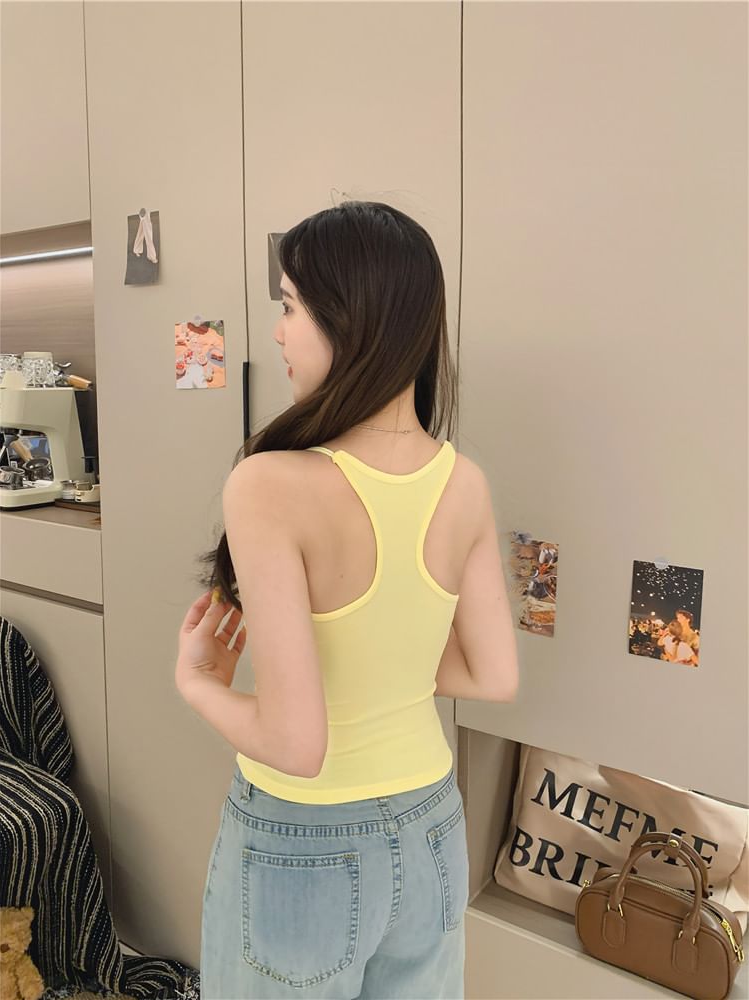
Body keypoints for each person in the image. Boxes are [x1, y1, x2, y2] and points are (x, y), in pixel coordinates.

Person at [178, 200, 519, 998]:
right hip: (432, 825)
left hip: (306, 838)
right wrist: (386, 657)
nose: (278, 332)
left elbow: (297, 746)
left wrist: (197, 683)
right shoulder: (463, 482)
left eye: (290, 307)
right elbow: (493, 675)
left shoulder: (269, 483)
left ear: (350, 318)